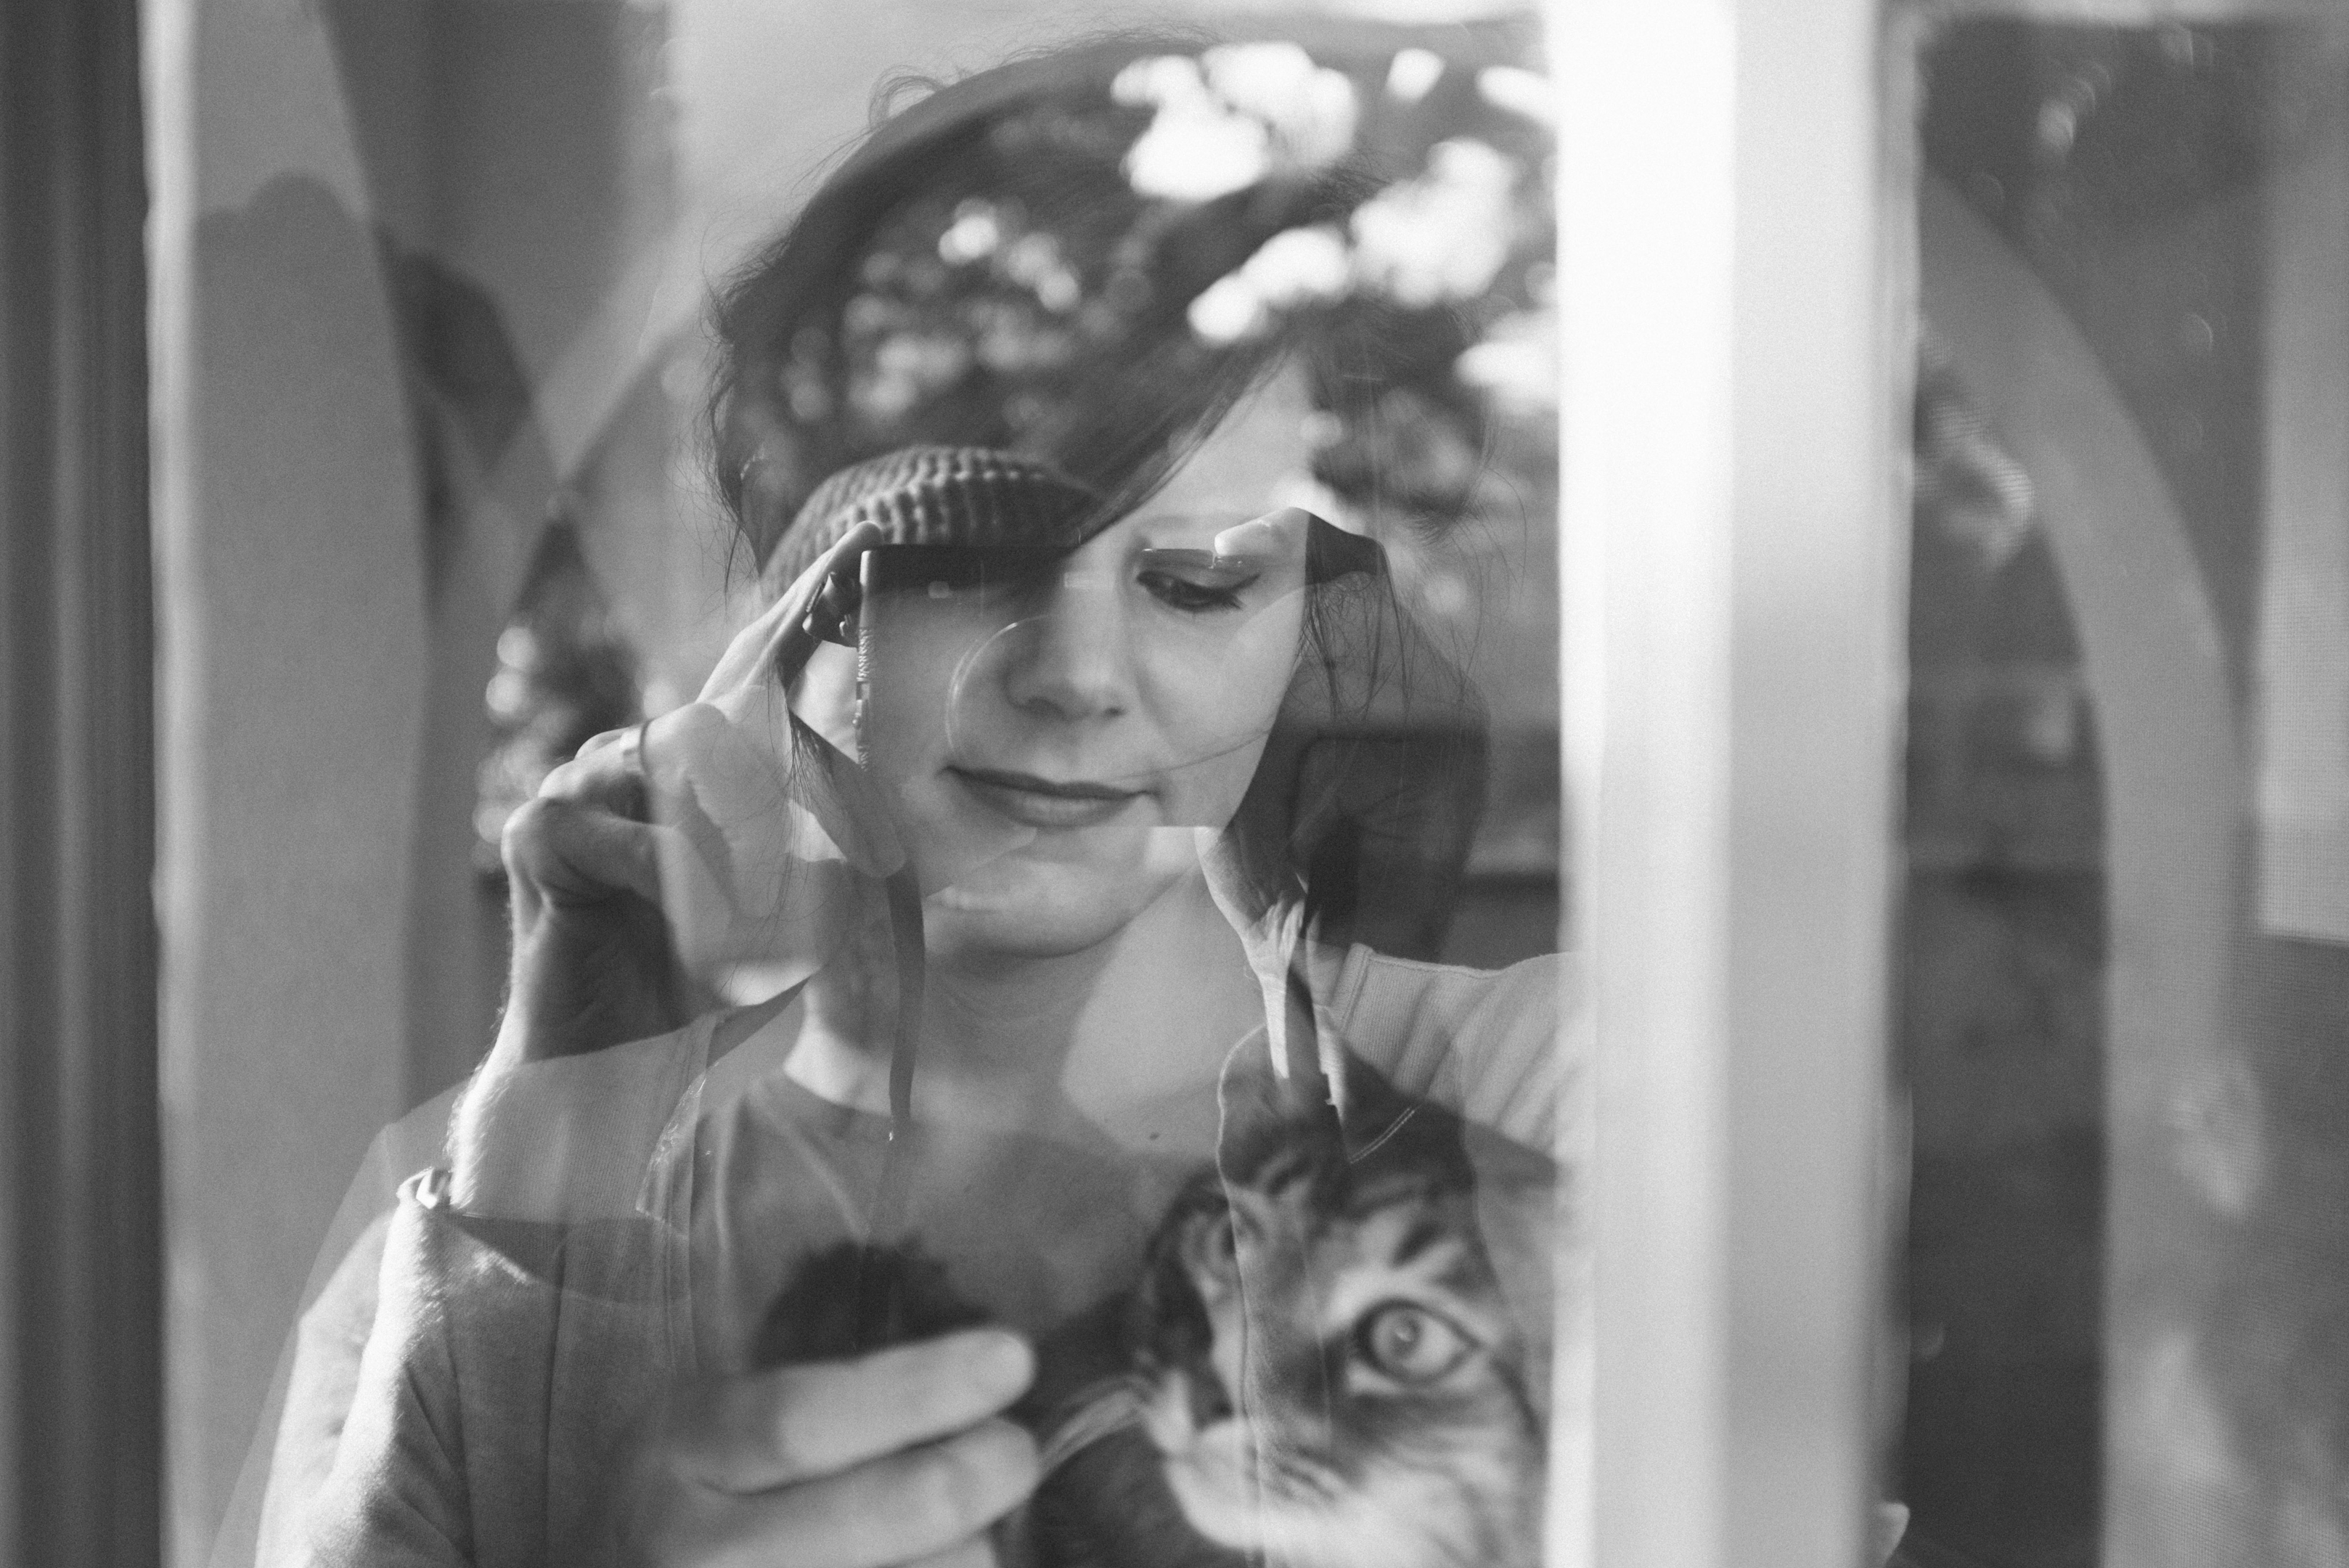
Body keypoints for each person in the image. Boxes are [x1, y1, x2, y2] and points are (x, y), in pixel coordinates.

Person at [249, 33, 1564, 1568]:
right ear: (799, 609)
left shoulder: (1550, 1108)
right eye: (966, 561)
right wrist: (557, 1151)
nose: (1075, 674)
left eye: (1202, 579)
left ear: (1311, 626)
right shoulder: (487, 1217)